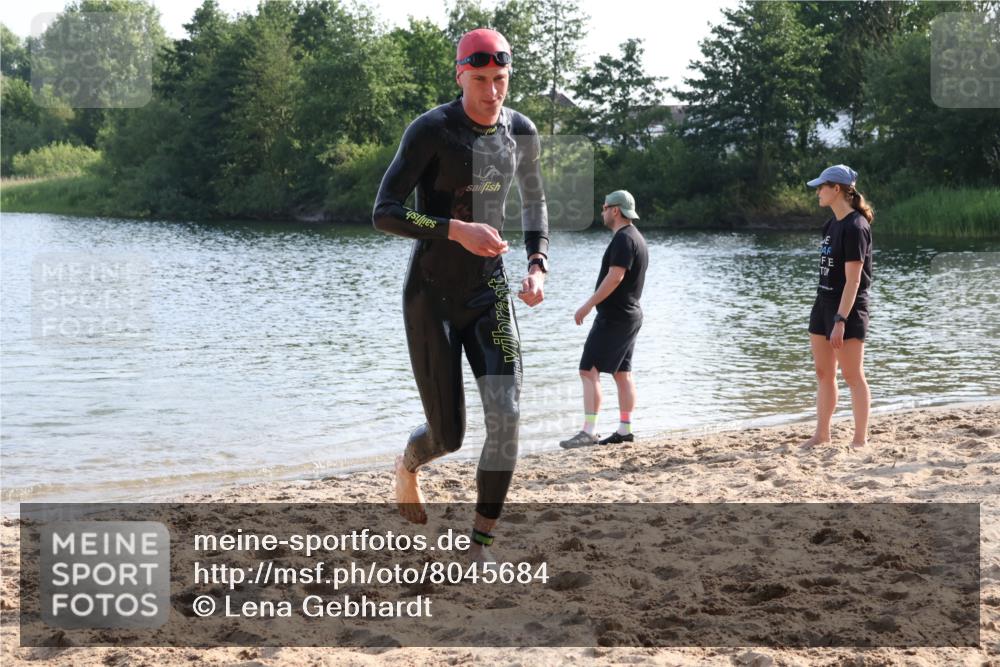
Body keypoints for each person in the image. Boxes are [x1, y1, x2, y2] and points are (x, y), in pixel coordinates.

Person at [372, 28, 549, 558]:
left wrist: (538, 264)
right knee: (447, 436)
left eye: (500, 80)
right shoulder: (432, 130)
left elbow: (536, 203)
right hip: (431, 298)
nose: (492, 93)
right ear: (460, 76)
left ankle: (479, 542)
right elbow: (385, 211)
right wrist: (455, 228)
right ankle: (409, 462)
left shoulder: (521, 131)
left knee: (508, 415)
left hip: (489, 293)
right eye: (480, 80)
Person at [560, 190, 648, 449]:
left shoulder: (623, 239)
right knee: (623, 373)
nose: (602, 212)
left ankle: (589, 431)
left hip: (615, 317)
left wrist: (588, 305)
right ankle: (625, 429)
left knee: (588, 370)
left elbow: (616, 276)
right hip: (629, 315)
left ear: (615, 210)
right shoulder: (637, 238)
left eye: (604, 207)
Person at [801, 164, 874, 449]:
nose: (817, 191)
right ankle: (822, 434)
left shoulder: (856, 226)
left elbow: (854, 281)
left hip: (848, 309)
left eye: (821, 186)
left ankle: (859, 439)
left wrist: (841, 319)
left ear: (837, 189)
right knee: (823, 372)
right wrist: (826, 313)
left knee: (853, 375)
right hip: (822, 303)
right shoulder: (830, 225)